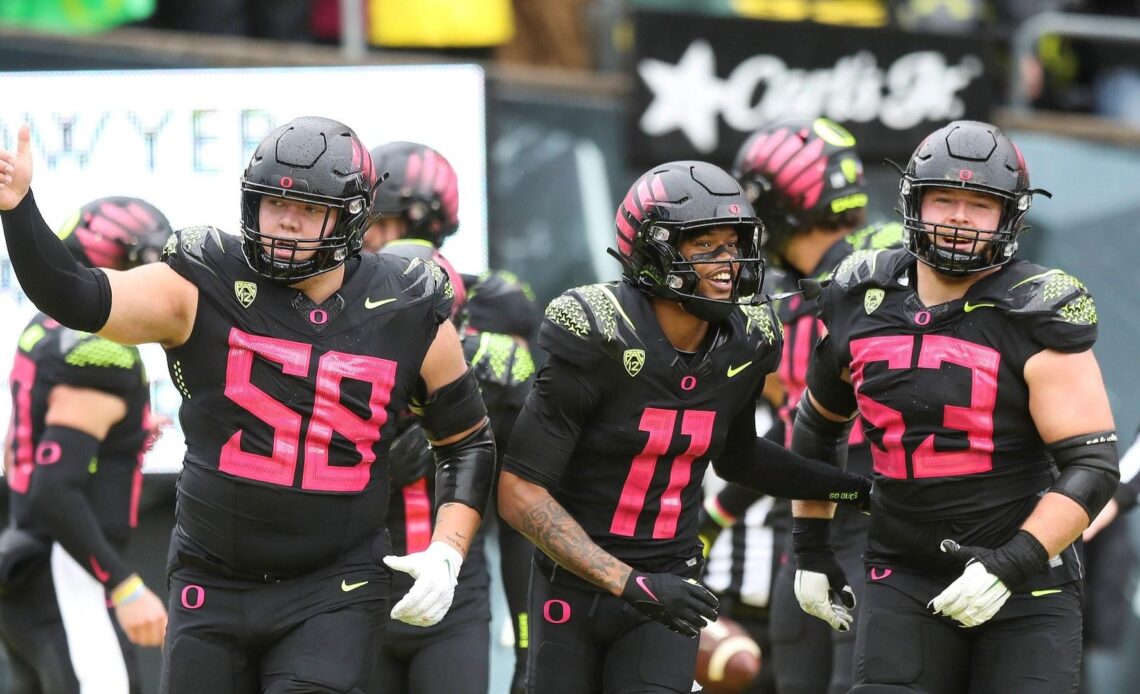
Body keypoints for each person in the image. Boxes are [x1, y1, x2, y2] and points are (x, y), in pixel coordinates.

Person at [0, 116, 497, 693]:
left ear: (352, 216)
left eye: (309, 208)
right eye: (272, 203)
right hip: (212, 580)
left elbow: (466, 441)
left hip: (332, 583)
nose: (285, 221)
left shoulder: (406, 302)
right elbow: (77, 294)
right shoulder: (200, 280)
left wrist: (448, 549)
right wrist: (18, 208)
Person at [497, 160, 874, 694]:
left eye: (735, 244)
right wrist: (628, 582)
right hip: (575, 586)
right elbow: (518, 491)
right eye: (707, 247)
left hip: (671, 587)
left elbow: (739, 456)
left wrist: (855, 489)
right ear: (653, 251)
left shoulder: (748, 337)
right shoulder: (600, 333)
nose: (728, 264)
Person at [786, 120, 1119, 693]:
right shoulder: (859, 297)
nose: (960, 217)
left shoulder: (1034, 311)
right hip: (902, 574)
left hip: (1025, 588)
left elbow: (1094, 468)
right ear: (915, 202)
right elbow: (817, 432)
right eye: (945, 199)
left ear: (1009, 216)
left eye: (979, 204)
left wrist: (1012, 563)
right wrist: (810, 548)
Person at [699, 117, 903, 694]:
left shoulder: (883, 273)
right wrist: (716, 515)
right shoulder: (799, 286)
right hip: (812, 525)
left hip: (879, 524)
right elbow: (800, 428)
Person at [365, 141, 528, 694]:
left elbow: (522, 487)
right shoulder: (333, 300)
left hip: (453, 575)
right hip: (349, 580)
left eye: (373, 219)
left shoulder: (499, 314)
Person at [0, 196, 172, 694]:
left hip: (32, 570)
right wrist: (125, 583)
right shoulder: (97, 348)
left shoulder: (45, 328)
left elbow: (29, 455)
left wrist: (126, 432)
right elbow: (55, 489)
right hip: (66, 572)